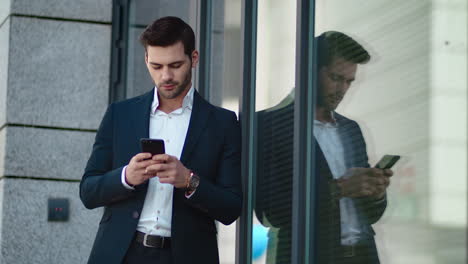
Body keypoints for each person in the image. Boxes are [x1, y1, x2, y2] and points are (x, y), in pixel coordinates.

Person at [80, 16, 242, 264]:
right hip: (121, 254)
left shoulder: (223, 123)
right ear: (146, 60)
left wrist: (189, 181)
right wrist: (126, 177)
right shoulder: (120, 115)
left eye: (175, 65)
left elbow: (231, 207)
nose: (166, 75)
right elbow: (88, 191)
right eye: (156, 66)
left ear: (194, 59)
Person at [255, 31, 393, 264]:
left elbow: (371, 215)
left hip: (362, 256)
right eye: (336, 78)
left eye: (349, 81)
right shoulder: (268, 125)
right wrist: (339, 189)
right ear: (309, 71)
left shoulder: (351, 129)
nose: (342, 89)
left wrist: (376, 191)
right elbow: (271, 213)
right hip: (308, 255)